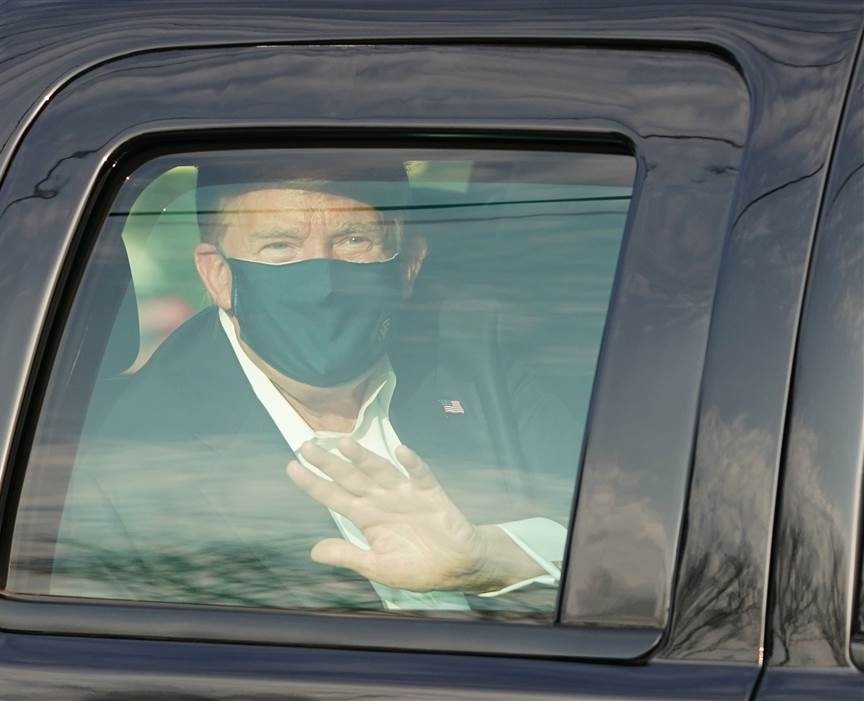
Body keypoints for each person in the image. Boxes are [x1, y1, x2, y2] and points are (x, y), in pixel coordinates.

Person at [50, 153, 567, 611]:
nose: (321, 281)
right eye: (280, 246)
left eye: (353, 240)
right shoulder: (128, 455)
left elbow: (623, 539)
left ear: (408, 264)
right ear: (219, 276)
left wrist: (491, 562)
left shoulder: (477, 364)